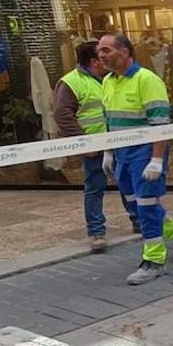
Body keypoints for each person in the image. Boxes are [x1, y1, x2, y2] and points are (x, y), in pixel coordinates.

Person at [97, 33, 173, 285]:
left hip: (144, 153)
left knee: (147, 205)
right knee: (134, 206)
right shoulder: (107, 81)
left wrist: (156, 159)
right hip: (122, 154)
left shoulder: (147, 80)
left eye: (106, 50)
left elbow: (160, 125)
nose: (101, 55)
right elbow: (108, 120)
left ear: (125, 52)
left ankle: (154, 260)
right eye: (99, 51)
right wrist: (108, 151)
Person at [53, 40, 118, 253]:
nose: (107, 59)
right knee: (95, 187)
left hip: (117, 141)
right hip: (95, 146)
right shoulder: (71, 82)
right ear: (93, 61)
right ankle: (96, 232)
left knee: (128, 184)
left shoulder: (111, 77)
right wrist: (84, 143)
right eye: (102, 55)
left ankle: (138, 220)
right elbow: (63, 116)